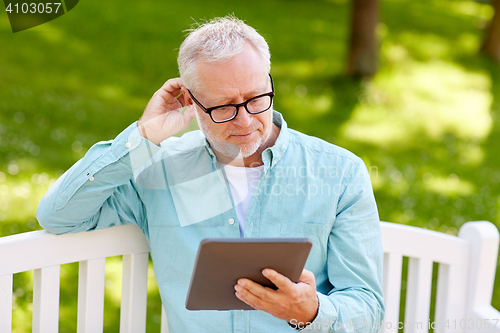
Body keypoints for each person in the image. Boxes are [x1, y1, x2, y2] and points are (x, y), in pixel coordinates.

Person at [37, 15, 384, 332]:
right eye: (223, 107)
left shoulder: (339, 173)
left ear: (269, 81)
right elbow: (59, 215)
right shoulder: (159, 171)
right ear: (190, 100)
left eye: (256, 97)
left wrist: (312, 311)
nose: (245, 121)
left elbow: (368, 309)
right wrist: (142, 140)